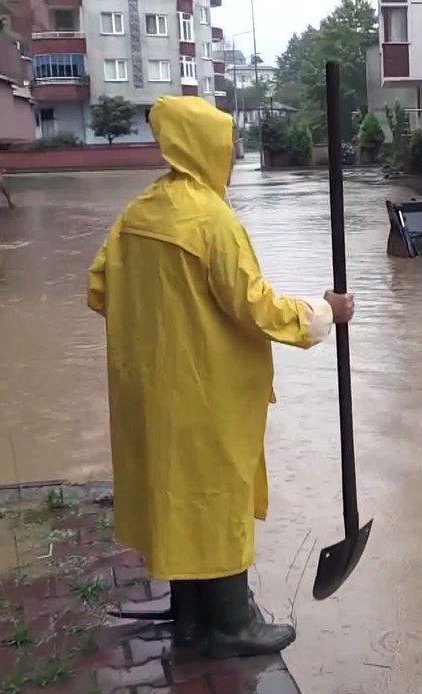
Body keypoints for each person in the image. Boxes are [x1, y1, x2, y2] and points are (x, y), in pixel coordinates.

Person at [86, 96, 355, 659]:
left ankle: (189, 617)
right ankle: (231, 624)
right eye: (228, 146)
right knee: (216, 496)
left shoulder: (136, 214)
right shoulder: (212, 220)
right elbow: (254, 306)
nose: (233, 156)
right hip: (206, 392)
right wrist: (325, 311)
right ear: (203, 148)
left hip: (149, 392)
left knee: (174, 495)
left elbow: (99, 289)